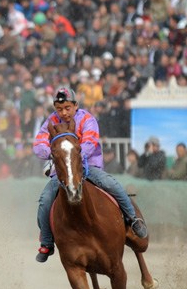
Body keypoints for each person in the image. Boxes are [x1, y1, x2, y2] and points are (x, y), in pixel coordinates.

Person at [32, 87, 147, 263]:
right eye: (59, 109)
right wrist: (54, 153)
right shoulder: (50, 122)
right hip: (62, 171)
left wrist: (73, 156)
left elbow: (90, 142)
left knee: (110, 184)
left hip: (88, 166)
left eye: (67, 108)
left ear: (75, 105)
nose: (64, 112)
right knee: (45, 199)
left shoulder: (87, 118)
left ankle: (133, 219)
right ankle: (47, 242)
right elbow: (38, 144)